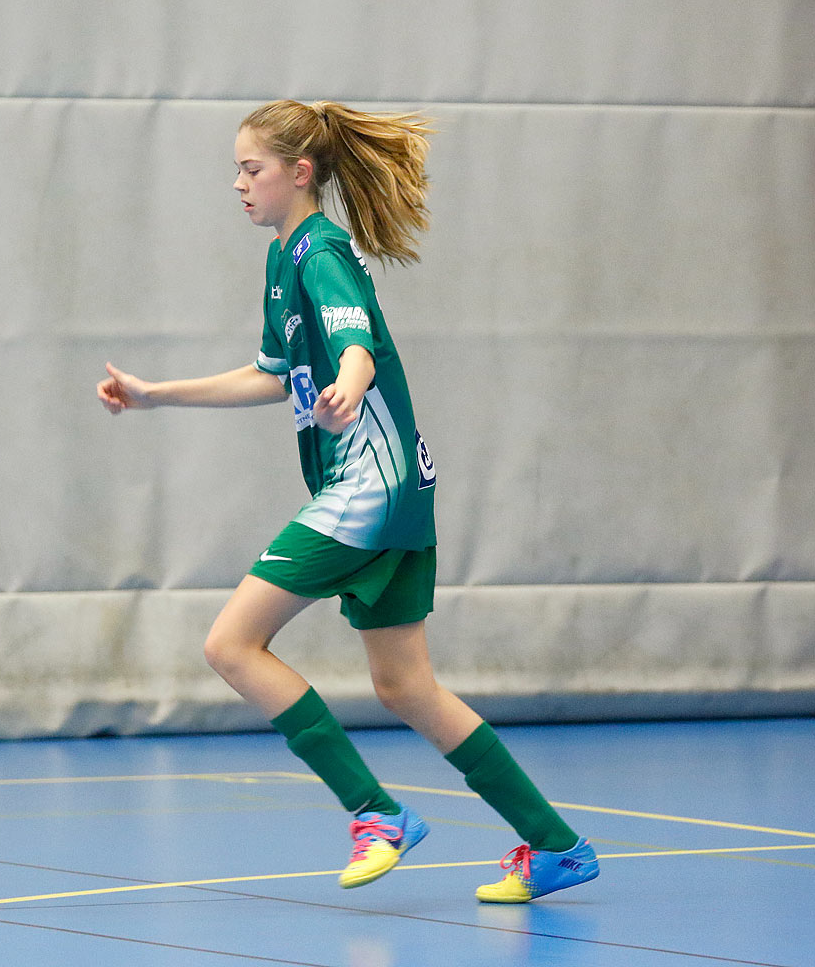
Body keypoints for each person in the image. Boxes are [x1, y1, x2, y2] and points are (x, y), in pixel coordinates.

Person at [97, 99, 598, 903]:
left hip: (367, 489)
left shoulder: (321, 251)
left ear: (299, 173)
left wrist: (348, 385)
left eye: (251, 168)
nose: (238, 184)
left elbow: (356, 337)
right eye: (235, 169)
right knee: (405, 688)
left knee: (231, 646)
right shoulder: (283, 256)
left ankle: (376, 813)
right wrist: (159, 395)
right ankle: (557, 844)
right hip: (400, 492)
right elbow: (269, 372)